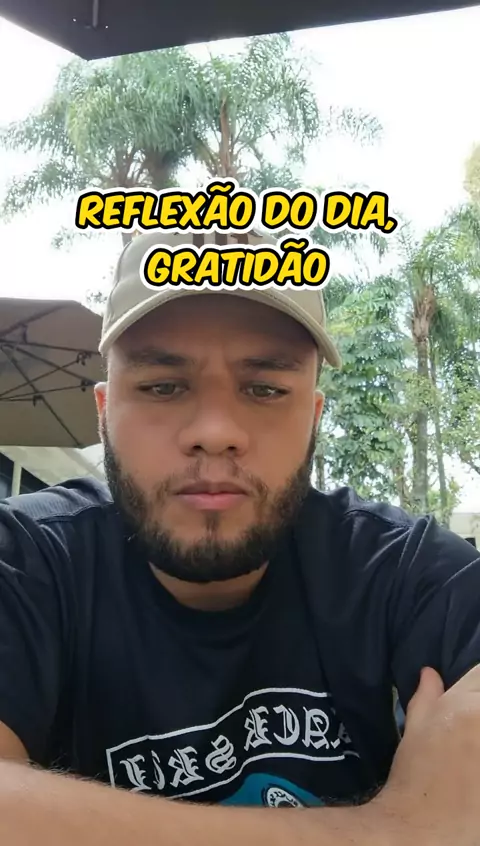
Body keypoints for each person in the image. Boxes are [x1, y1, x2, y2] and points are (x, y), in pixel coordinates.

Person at [0, 228, 479, 846]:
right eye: (163, 386)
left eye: (265, 389)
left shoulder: (409, 573)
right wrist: (391, 830)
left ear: (312, 418)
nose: (216, 431)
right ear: (104, 411)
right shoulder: (24, 561)